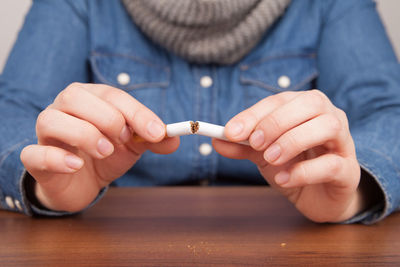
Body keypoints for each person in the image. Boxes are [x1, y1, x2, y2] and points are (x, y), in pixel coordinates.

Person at [0, 0, 399, 223]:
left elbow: (390, 113)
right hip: (115, 235)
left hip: (285, 234)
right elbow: (12, 111)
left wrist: (354, 188)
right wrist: (47, 186)